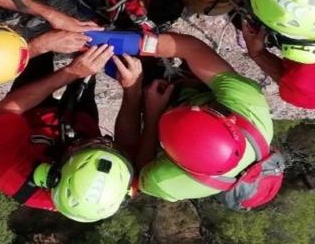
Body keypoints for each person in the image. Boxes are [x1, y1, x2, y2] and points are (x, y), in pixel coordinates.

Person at [109, 32, 282, 209]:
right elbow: (192, 49)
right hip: (198, 89)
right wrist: (132, 42)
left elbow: (133, 167)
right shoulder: (250, 110)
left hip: (160, 110)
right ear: (225, 118)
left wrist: (135, 93)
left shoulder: (175, 184)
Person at [0, 44, 146, 222]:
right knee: (89, 59)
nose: (104, 141)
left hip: (30, 114)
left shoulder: (12, 174)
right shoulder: (120, 179)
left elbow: (8, 109)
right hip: (80, 121)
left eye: (89, 144)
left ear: (49, 173)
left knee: (36, 51)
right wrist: (133, 88)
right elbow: (128, 142)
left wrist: (71, 72)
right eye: (109, 146)